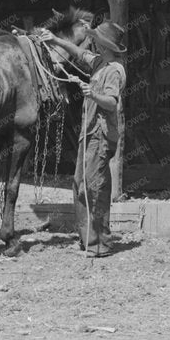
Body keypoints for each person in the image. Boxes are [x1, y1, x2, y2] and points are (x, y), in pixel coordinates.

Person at [47, 19, 128, 257]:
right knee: (79, 185)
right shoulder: (100, 62)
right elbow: (79, 52)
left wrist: (91, 93)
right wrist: (53, 39)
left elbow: (112, 103)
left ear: (104, 45)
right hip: (89, 132)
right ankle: (88, 239)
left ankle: (100, 243)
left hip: (101, 135)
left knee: (95, 189)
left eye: (96, 39)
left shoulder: (113, 70)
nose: (92, 41)